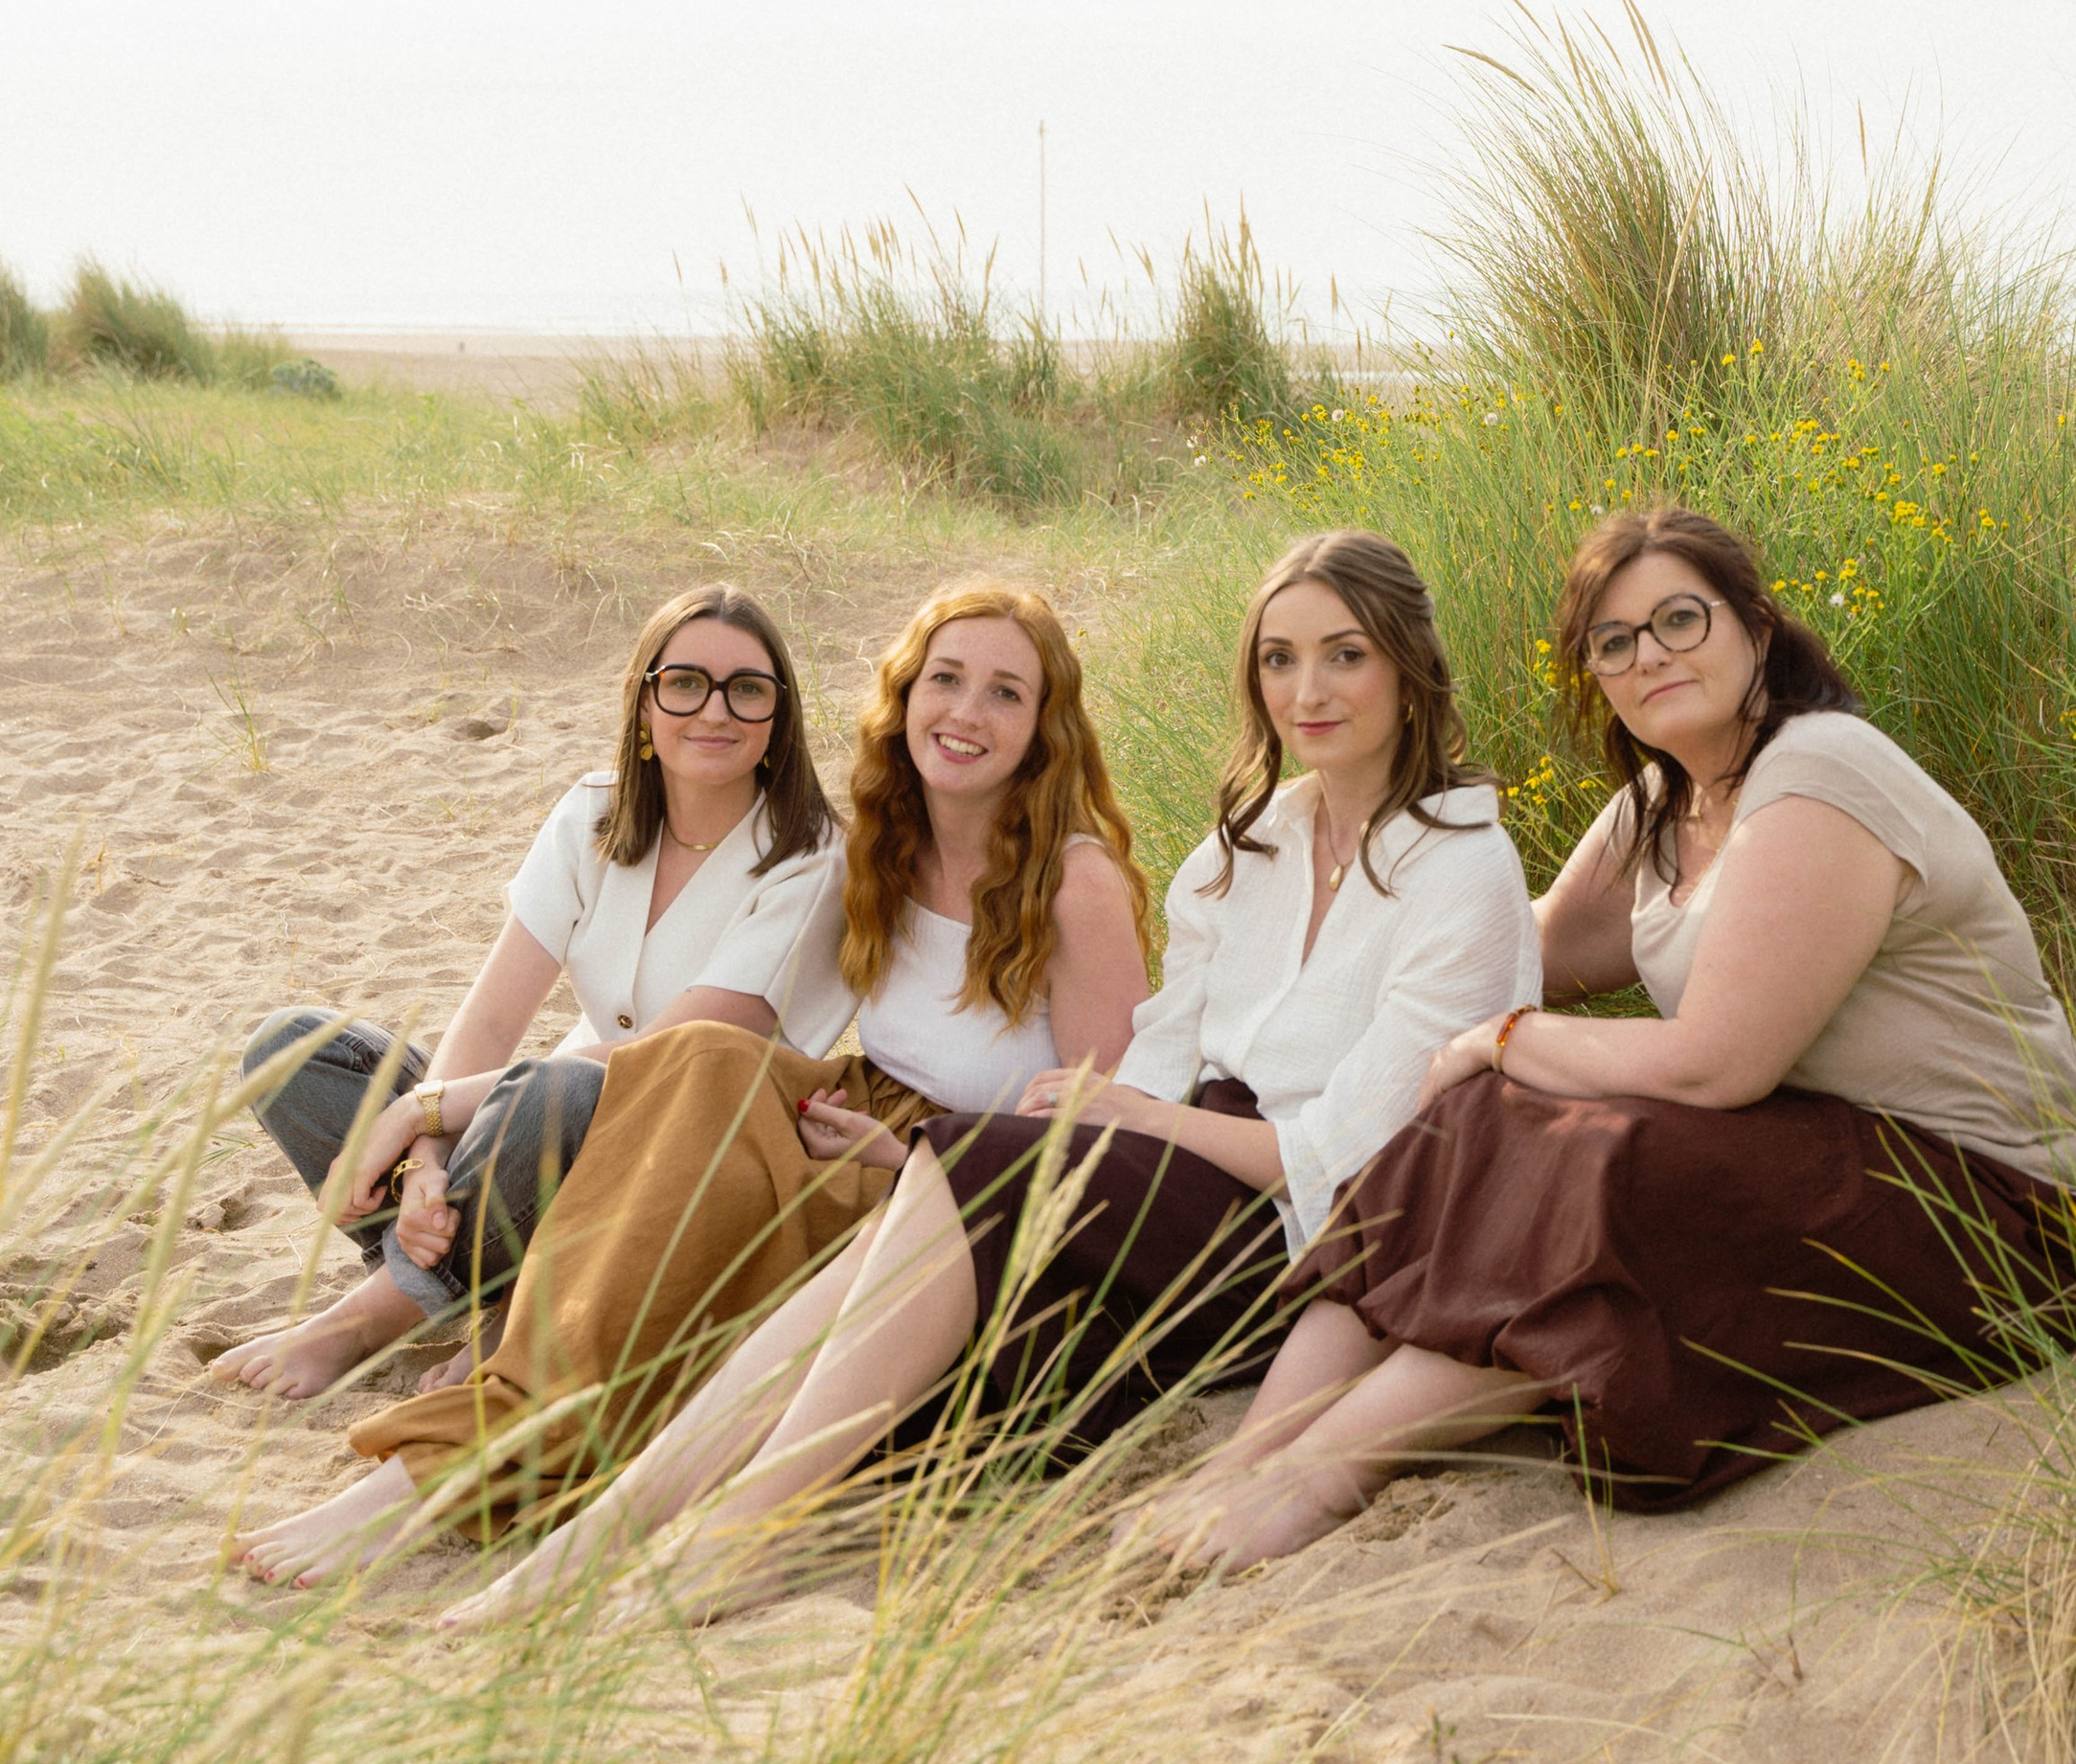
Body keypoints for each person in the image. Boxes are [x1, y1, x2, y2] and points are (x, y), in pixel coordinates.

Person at [407, 525, 1541, 1628]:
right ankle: (615, 1525)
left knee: (959, 1172)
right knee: (876, 1271)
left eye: (1346, 653)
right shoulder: (1241, 852)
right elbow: (1156, 1057)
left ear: (1409, 666)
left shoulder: (1463, 867)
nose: (1310, 689)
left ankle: (731, 1535)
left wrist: (1127, 1117)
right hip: (1176, 1163)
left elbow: (1348, 1154)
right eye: (1280, 658)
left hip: (1305, 1233)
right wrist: (1107, 1116)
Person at [1142, 502, 2076, 1572]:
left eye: (1680, 620)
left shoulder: (1822, 773)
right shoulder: (1662, 804)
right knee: (1475, 1121)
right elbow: (1507, 954)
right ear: (1593, 673)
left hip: (1993, 1209)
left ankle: (1327, 1471)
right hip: (1817, 1151)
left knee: (1606, 1160)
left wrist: (1503, 1036)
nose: (1648, 654)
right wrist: (1376, 972)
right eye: (1614, 640)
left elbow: (1714, 1062)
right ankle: (1246, 1459)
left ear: (1755, 625)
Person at [232, 581, 1152, 1587]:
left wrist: (920, 1160)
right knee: (674, 1072)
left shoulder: (1073, 883)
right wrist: (427, 1144)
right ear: (904, 695)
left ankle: (439, 1447)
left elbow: (1113, 1139)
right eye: (946, 680)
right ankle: (485, 1331)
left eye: (1005, 693)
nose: (966, 713)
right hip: (846, 1115)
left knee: (659, 1079)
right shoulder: (888, 851)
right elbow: (514, 1014)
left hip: (963, 1181)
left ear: (1045, 724)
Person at [212, 584, 838, 1399]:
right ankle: (489, 1282)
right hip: (529, 1138)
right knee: (290, 1049)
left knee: (560, 1084)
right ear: (644, 703)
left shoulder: (811, 859)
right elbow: (494, 1015)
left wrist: (417, 1113)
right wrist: (431, 1160)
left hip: (674, 1169)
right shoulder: (593, 816)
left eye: (747, 689)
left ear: (778, 720)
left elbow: (658, 1061)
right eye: (685, 682)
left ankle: (367, 1319)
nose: (714, 710)